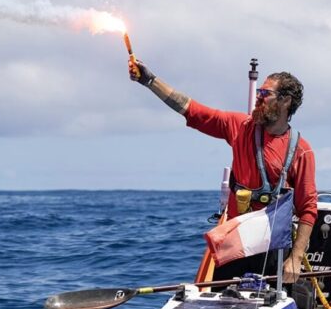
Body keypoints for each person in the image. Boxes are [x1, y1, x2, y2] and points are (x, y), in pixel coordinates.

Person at [129, 59, 318, 284]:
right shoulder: (240, 127)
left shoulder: (302, 151)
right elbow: (192, 110)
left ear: (285, 101)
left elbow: (308, 208)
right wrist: (150, 81)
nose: (258, 97)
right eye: (258, 91)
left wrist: (295, 259)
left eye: (265, 93)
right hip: (235, 242)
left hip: (272, 248)